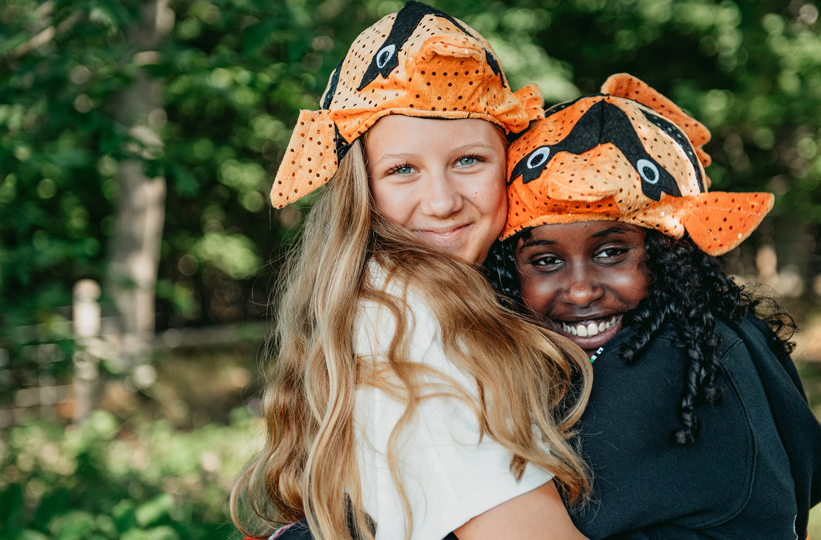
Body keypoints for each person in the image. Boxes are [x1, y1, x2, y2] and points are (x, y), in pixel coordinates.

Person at [232, 3, 593, 539]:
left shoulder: (411, 295)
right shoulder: (410, 326)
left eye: (468, 160)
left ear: (508, 160)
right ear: (363, 189)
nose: (443, 202)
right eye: (403, 170)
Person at [486, 73, 821, 539]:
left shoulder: (666, 365)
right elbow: (818, 468)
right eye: (546, 260)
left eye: (612, 252)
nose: (579, 290)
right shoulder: (724, 333)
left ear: (670, 252)